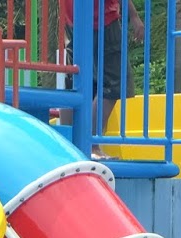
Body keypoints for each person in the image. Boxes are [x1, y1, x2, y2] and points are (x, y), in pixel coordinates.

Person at [60, 0, 145, 136]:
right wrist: (134, 15)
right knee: (115, 82)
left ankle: (66, 140)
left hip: (73, 18)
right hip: (101, 17)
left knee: (77, 82)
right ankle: (90, 142)